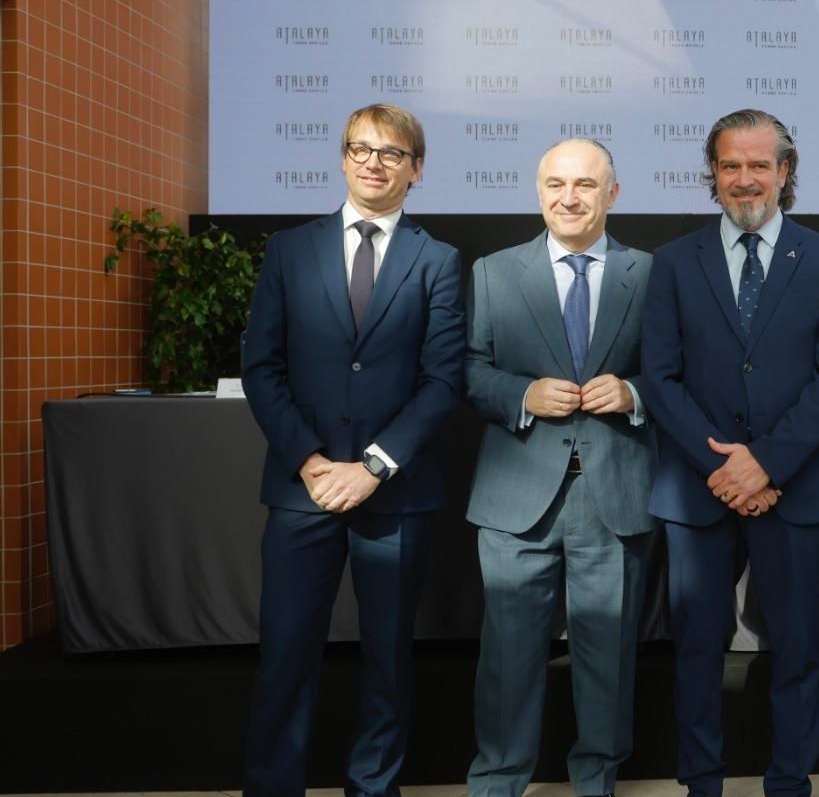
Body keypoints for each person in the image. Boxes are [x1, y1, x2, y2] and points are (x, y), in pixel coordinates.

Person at [241, 103, 465, 796]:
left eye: (392, 153)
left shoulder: (439, 261)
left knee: (388, 662)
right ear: (342, 159)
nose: (374, 161)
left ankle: (374, 788)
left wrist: (371, 467)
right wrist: (312, 462)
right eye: (360, 149)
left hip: (393, 495)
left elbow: (443, 379)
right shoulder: (289, 249)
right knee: (284, 657)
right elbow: (262, 368)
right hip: (301, 490)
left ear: (417, 170)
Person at [640, 108, 819, 797]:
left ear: (784, 171)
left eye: (758, 165)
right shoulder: (675, 263)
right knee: (698, 653)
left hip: (794, 488)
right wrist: (725, 468)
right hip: (698, 492)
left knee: (795, 652)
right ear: (713, 173)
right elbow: (660, 377)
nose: (744, 179)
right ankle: (702, 782)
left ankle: (788, 782)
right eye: (730, 165)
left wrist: (766, 464)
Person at [462, 138, 656, 797]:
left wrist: (634, 394)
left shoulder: (652, 274)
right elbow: (466, 370)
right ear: (538, 191)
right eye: (554, 184)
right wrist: (519, 395)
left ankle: (595, 783)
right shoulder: (493, 271)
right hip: (516, 495)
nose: (568, 198)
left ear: (612, 193)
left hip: (616, 494)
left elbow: (678, 375)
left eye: (583, 184)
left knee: (607, 663)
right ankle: (497, 784)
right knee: (508, 661)